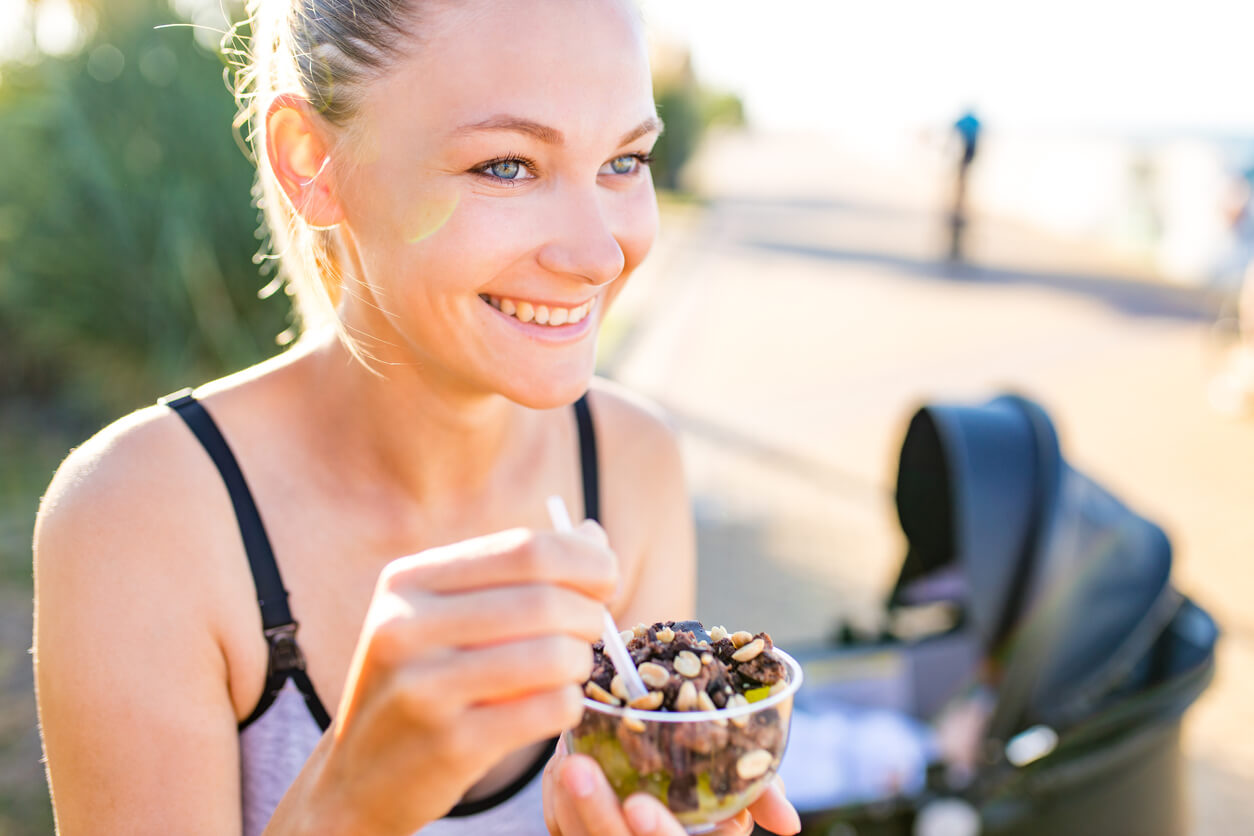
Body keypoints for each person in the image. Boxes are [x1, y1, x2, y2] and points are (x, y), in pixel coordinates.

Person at [31, 1, 801, 835]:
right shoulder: (138, 517)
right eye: (507, 165)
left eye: (626, 159)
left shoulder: (631, 463)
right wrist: (350, 799)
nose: (598, 254)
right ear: (314, 163)